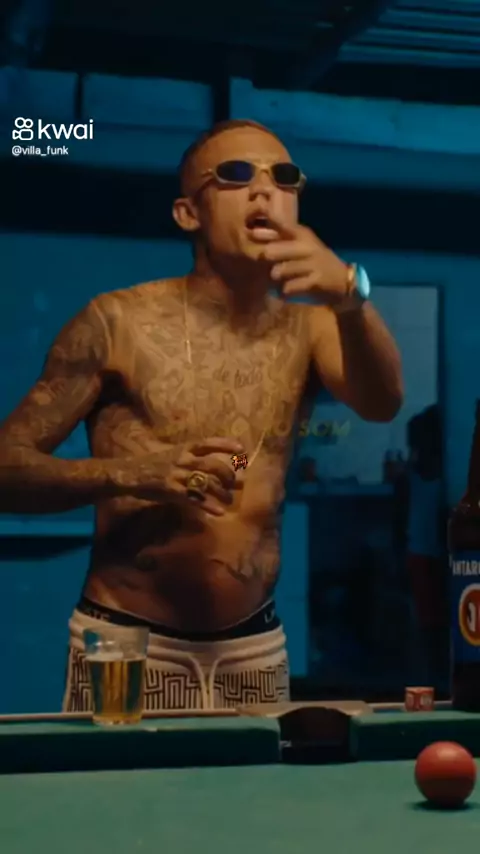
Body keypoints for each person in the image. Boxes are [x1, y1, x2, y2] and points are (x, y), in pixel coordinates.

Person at [0, 119, 403, 710]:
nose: (264, 189)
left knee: (254, 777)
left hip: (254, 650)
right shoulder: (116, 322)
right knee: (117, 776)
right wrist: (132, 473)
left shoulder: (314, 325)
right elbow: (6, 469)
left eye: (283, 177)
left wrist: (349, 293)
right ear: (188, 213)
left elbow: (383, 402)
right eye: (236, 175)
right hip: (126, 646)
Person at [405, 405, 448, 688]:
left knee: (431, 620)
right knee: (432, 620)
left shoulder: (415, 477)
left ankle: (434, 676)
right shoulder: (436, 476)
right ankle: (433, 676)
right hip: (426, 555)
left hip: (425, 554)